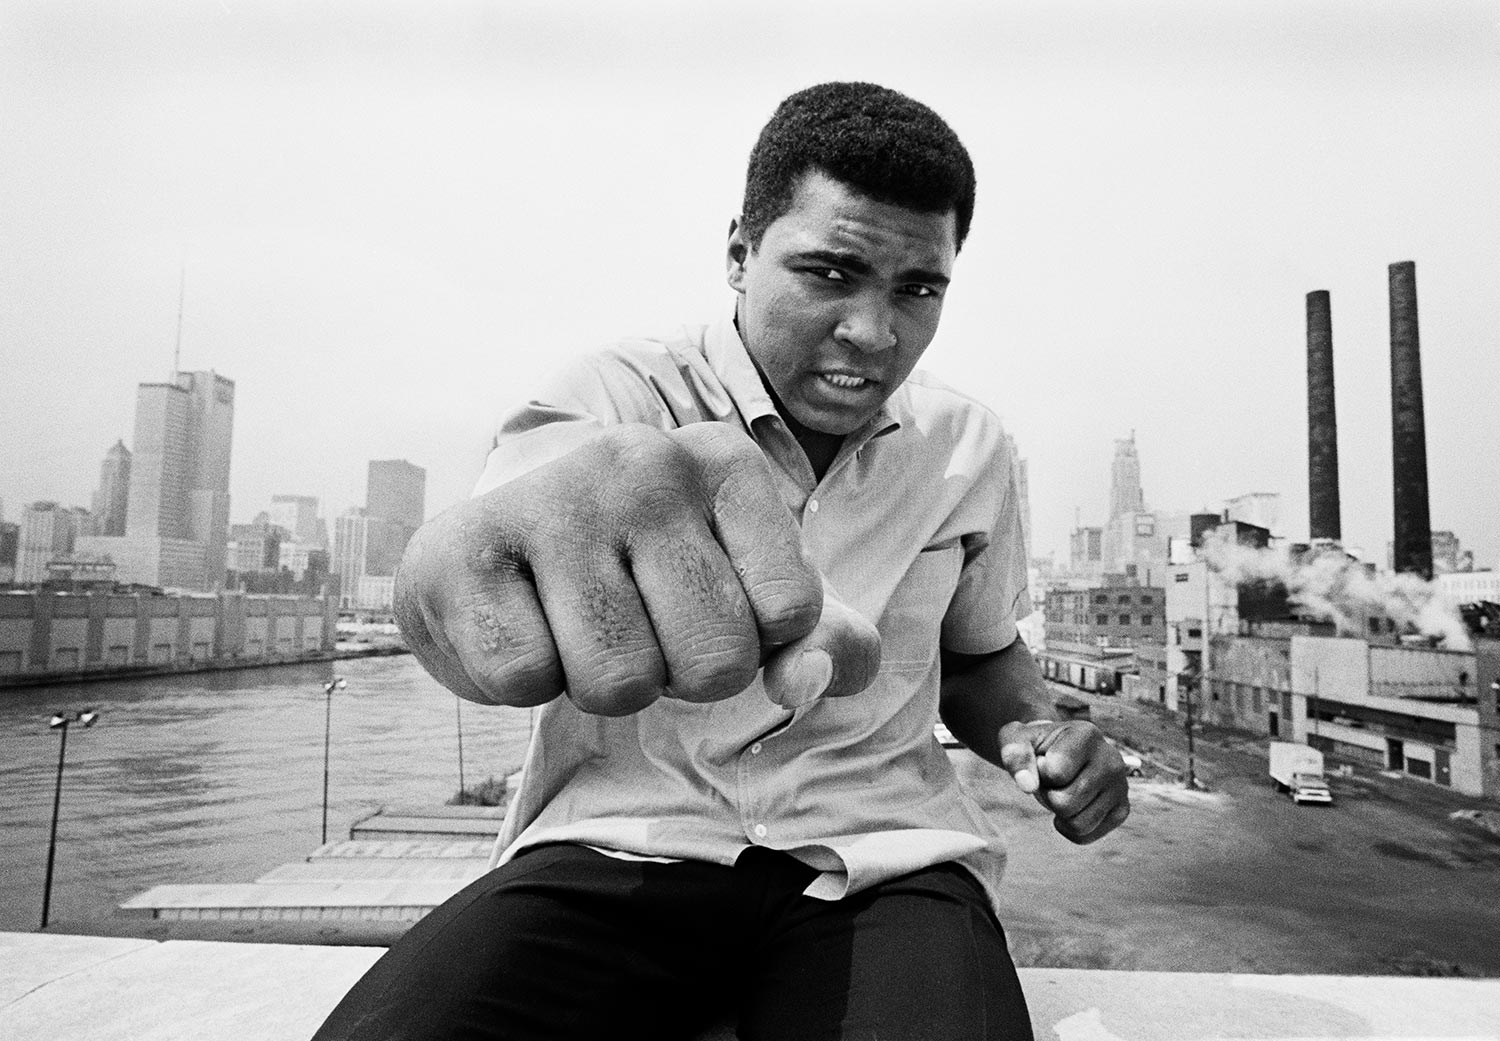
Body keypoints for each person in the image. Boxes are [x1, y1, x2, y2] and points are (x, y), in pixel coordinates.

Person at [316, 81, 1129, 1041]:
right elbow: (473, 567)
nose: (874, 331)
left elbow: (983, 656)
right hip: (623, 850)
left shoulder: (969, 448)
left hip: (888, 861)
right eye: (831, 272)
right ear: (739, 254)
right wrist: (446, 576)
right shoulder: (614, 398)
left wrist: (1045, 736)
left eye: (918, 288)